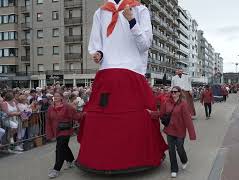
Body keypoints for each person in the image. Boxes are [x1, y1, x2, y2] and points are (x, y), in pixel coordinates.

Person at [76, 0, 167, 174]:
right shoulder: (100, 12)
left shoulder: (140, 9)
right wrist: (98, 54)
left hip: (132, 71)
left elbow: (145, 44)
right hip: (107, 72)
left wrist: (132, 20)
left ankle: (138, 159)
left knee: (135, 117)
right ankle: (99, 159)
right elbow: (97, 43)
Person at [147, 86, 196, 178]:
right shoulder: (166, 103)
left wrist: (192, 134)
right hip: (170, 130)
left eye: (175, 92)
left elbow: (188, 120)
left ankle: (184, 160)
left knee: (180, 148)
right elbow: (161, 114)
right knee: (171, 150)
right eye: (172, 92)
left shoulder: (183, 104)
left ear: (179, 93)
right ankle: (174, 169)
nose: (173, 93)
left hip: (180, 131)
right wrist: (151, 113)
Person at [46, 92, 84, 178]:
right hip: (56, 131)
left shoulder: (67, 106)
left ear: (61, 97)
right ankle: (70, 160)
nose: (55, 97)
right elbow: (48, 121)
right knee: (64, 147)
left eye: (57, 96)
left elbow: (75, 115)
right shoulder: (50, 108)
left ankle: (56, 169)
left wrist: (84, 115)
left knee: (59, 149)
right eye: (54, 96)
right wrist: (49, 133)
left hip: (65, 130)